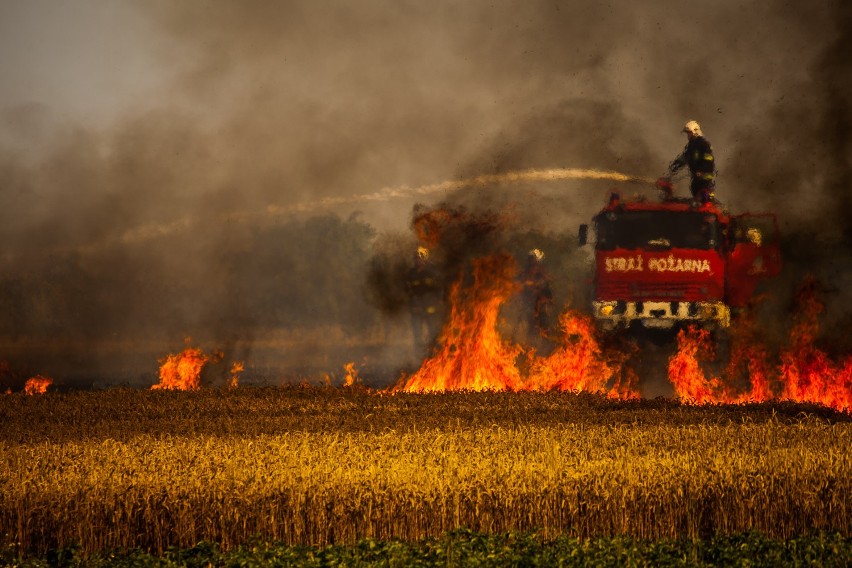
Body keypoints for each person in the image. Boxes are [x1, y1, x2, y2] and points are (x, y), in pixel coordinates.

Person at [405, 246, 443, 357]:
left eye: (420, 258)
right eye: (416, 258)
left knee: (433, 332)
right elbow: (407, 291)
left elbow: (439, 289)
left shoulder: (431, 273)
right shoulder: (410, 274)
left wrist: (439, 300)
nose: (418, 260)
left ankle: (435, 354)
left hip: (430, 308)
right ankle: (419, 356)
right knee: (417, 335)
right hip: (416, 309)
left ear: (425, 259)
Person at [668, 120, 717, 203]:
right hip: (697, 176)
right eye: (687, 133)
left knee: (704, 194)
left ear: (695, 131)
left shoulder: (703, 144)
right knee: (694, 188)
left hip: (705, 176)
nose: (688, 135)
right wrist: (675, 165)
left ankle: (707, 207)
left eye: (689, 133)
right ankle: (700, 205)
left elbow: (708, 160)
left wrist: (701, 171)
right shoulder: (692, 145)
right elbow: (686, 157)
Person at [518, 248, 554, 340]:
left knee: (543, 318)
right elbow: (521, 283)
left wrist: (540, 282)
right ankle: (530, 337)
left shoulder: (540, 269)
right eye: (531, 260)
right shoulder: (525, 271)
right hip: (528, 299)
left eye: (534, 260)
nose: (533, 266)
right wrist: (528, 284)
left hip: (539, 299)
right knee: (529, 319)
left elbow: (549, 278)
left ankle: (546, 336)